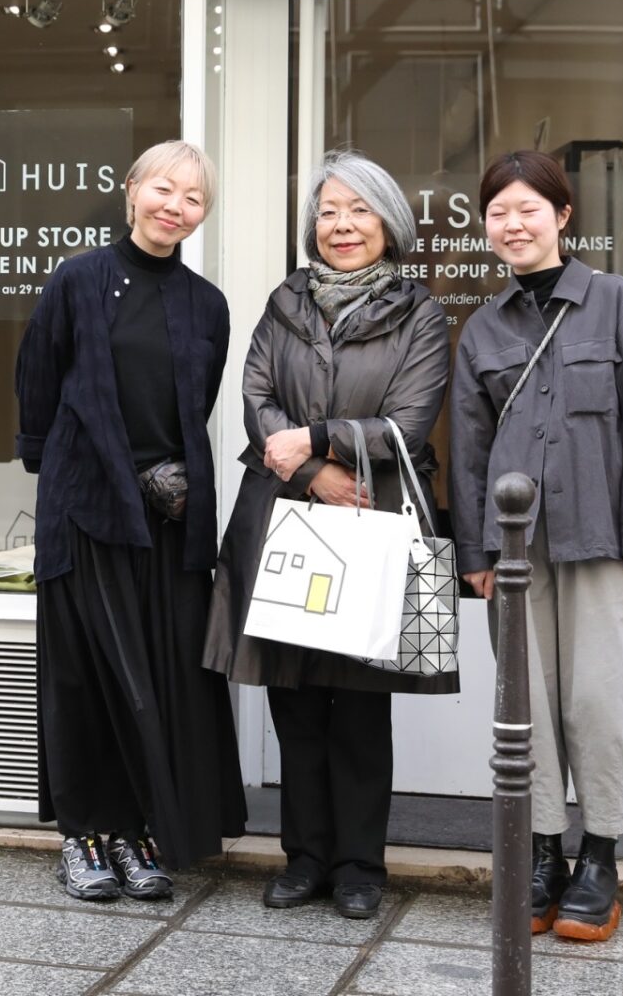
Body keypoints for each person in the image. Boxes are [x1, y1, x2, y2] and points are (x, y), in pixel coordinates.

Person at [204, 150, 453, 922]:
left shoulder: (420, 314)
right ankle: (304, 857)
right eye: (328, 212)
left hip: (371, 521)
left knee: (360, 708)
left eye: (358, 210)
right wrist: (315, 473)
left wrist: (316, 439)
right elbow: (256, 398)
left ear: (389, 224)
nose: (341, 225)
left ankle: (359, 867)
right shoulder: (286, 301)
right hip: (288, 516)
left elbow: (408, 423)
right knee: (296, 700)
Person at [448, 150, 623, 943]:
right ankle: (542, 854)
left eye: (528, 209)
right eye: (498, 213)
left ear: (562, 215)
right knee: (528, 708)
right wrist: (474, 552)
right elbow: (469, 449)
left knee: (605, 701)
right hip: (517, 555)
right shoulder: (483, 328)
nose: (513, 225)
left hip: (607, 541)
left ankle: (600, 860)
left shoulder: (615, 302)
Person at [16, 139, 246, 903]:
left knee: (158, 677)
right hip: (86, 509)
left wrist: (165, 479)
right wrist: (68, 470)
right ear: (132, 190)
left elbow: (194, 408)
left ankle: (135, 832)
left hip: (170, 518)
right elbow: (38, 384)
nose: (175, 207)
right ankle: (84, 835)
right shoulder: (77, 280)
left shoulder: (206, 304)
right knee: (86, 677)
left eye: (193, 198)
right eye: (164, 189)